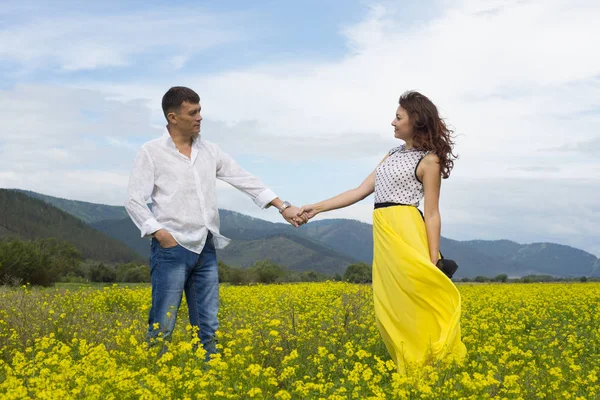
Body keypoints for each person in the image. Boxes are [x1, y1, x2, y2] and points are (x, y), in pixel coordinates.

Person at [125, 86, 306, 360]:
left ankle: (208, 375)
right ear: (173, 118)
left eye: (200, 111)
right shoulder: (151, 152)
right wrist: (161, 234)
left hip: (205, 247)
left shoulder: (210, 150)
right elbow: (134, 200)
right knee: (163, 324)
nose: (200, 118)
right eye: (193, 113)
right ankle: (153, 374)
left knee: (208, 326)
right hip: (171, 249)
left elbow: (243, 178)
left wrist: (282, 206)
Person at [297, 91, 466, 373]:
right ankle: (409, 363)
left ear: (416, 121)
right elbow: (359, 191)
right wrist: (317, 207)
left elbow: (433, 213)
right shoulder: (391, 154)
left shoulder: (429, 161)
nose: (392, 122)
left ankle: (429, 364)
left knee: (416, 298)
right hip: (385, 233)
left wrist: (433, 258)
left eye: (398, 118)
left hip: (408, 231)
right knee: (391, 302)